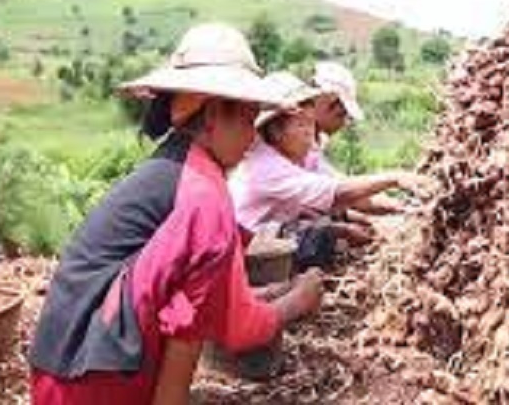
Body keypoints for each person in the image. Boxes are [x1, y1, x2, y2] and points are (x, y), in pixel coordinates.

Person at [29, 24, 323, 405]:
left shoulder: (173, 168)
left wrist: (261, 294)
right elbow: (235, 329)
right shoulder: (204, 195)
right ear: (215, 113)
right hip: (100, 384)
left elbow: (181, 287)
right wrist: (298, 300)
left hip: (58, 371)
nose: (253, 137)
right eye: (249, 120)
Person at [230, 72, 429, 269]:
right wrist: (394, 178)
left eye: (310, 123)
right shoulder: (265, 166)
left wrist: (406, 209)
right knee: (322, 241)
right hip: (251, 252)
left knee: (333, 227)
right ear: (275, 131)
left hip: (277, 235)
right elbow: (337, 193)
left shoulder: (304, 154)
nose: (309, 133)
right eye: (301, 125)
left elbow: (350, 193)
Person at [309, 62, 407, 216]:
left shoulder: (312, 142)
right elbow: (340, 193)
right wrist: (396, 180)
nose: (342, 124)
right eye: (340, 115)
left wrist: (400, 205)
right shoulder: (294, 144)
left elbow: (339, 183)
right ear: (325, 103)